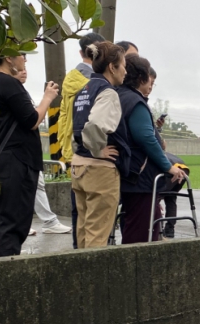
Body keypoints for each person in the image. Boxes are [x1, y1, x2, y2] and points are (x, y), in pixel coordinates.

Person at [0, 51, 58, 257]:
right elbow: (31, 120)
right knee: (14, 223)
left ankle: (7, 265)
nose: (25, 59)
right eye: (22, 54)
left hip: (6, 161)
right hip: (16, 161)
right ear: (9, 58)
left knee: (10, 220)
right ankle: (8, 270)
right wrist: (47, 97)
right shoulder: (6, 83)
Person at [116, 55, 185, 244]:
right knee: (141, 232)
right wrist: (169, 167)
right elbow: (146, 138)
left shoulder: (118, 95)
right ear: (141, 77)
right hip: (141, 177)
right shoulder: (135, 101)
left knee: (139, 222)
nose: (150, 85)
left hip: (127, 173)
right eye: (149, 79)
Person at [70, 41, 130, 249]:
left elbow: (76, 126)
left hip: (79, 165)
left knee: (84, 227)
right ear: (112, 67)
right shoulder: (108, 92)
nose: (125, 70)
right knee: (98, 233)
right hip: (99, 169)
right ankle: (92, 280)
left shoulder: (83, 90)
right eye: (123, 65)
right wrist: (98, 149)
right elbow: (95, 123)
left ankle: (80, 277)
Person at [58, 32, 105, 249]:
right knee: (95, 213)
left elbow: (64, 116)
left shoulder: (70, 79)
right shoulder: (97, 83)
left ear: (81, 52)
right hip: (92, 153)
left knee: (79, 208)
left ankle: (78, 253)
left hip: (73, 150)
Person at [14, 67, 72, 236]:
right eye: (19, 69)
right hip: (18, 150)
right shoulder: (8, 90)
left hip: (29, 149)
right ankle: (24, 223)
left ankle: (45, 221)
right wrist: (47, 98)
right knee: (21, 187)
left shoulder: (21, 92)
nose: (24, 71)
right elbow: (32, 119)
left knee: (36, 185)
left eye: (25, 69)